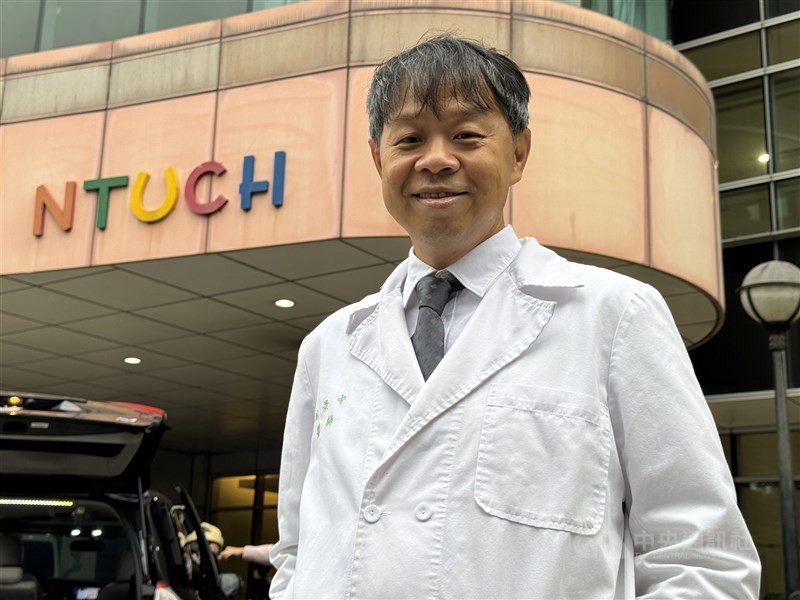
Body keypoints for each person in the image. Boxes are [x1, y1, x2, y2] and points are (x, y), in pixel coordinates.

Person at [269, 34, 761, 598]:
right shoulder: (328, 346)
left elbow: (702, 555)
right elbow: (296, 554)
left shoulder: (614, 315)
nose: (435, 159)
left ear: (520, 152)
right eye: (409, 139)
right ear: (379, 158)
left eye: (466, 135)